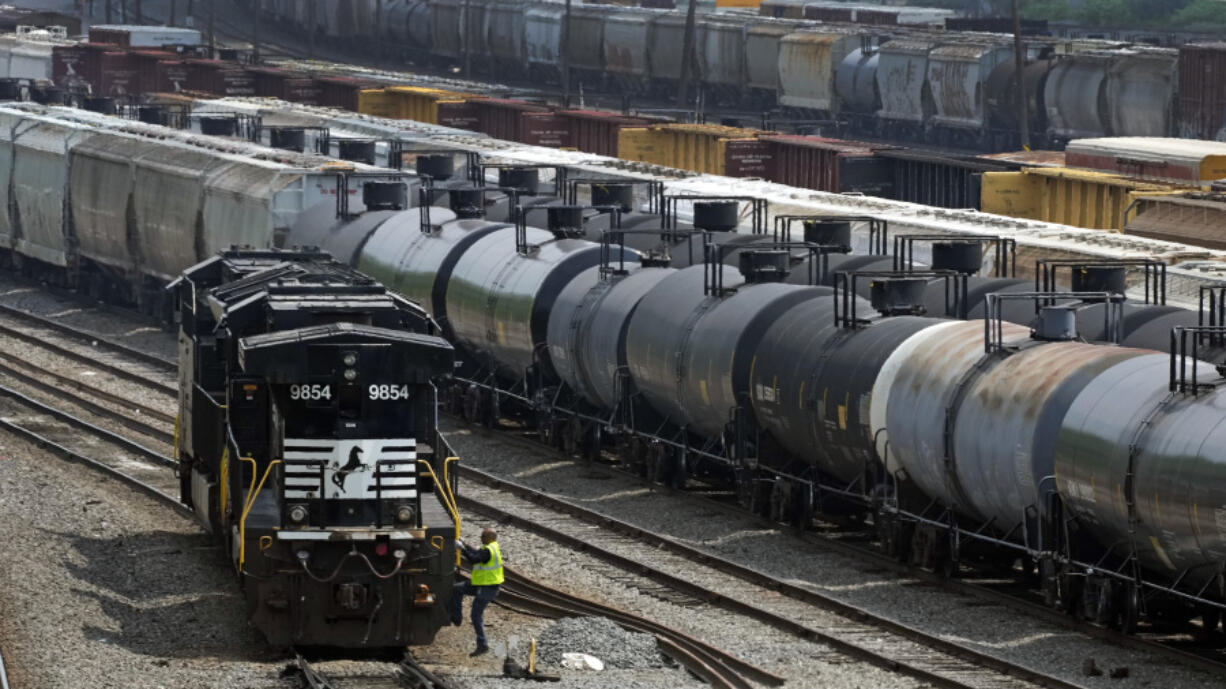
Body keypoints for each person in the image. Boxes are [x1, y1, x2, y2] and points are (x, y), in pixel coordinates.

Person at [451, 527, 504, 656]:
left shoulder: (488, 550)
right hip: (481, 584)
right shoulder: (491, 546)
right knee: (457, 588)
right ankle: (456, 617)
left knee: (476, 615)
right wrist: (465, 544)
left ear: (489, 537)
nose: (481, 538)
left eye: (483, 536)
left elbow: (474, 559)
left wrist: (462, 549)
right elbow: (477, 553)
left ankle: (483, 644)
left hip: (488, 587)